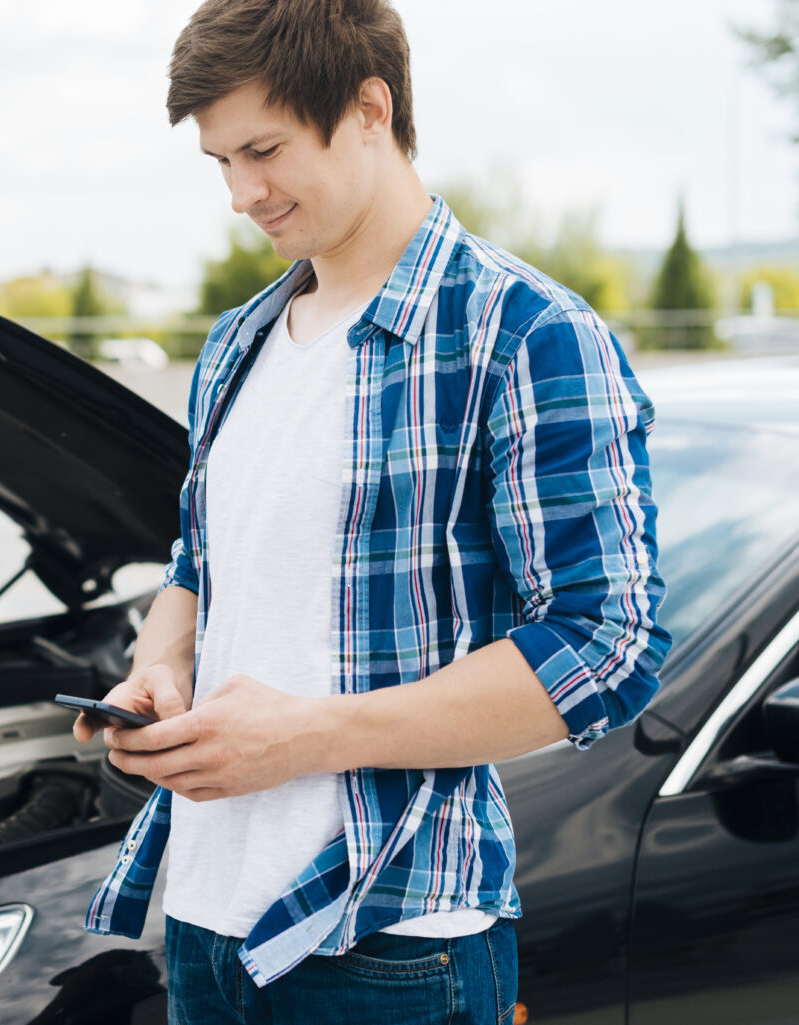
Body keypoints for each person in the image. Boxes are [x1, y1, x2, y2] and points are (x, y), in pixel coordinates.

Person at [71, 1, 672, 1022]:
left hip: (388, 945)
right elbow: (200, 557)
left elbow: (605, 647)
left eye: (263, 149)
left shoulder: (524, 334)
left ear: (367, 109)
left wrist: (306, 736)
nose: (241, 194)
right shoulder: (236, 343)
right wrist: (161, 669)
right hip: (205, 922)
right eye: (220, 163)